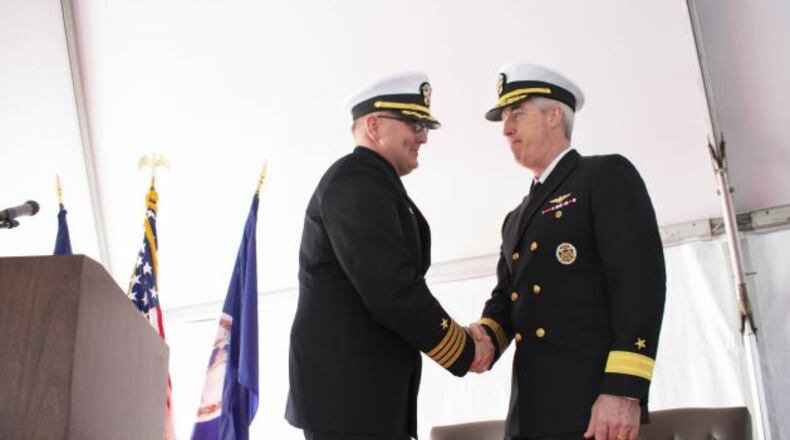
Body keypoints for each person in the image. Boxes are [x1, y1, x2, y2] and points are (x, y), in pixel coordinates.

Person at [286, 71, 493, 440]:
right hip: (349, 403)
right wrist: (463, 349)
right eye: (414, 123)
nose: (423, 136)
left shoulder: (378, 185)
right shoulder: (355, 180)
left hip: (365, 402)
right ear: (374, 125)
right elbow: (392, 289)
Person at [469, 63, 666, 440]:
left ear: (555, 115)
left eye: (517, 114)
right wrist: (484, 339)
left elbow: (641, 284)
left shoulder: (604, 176)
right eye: (504, 120)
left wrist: (624, 390)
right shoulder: (515, 218)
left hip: (592, 407)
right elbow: (506, 301)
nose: (507, 129)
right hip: (529, 412)